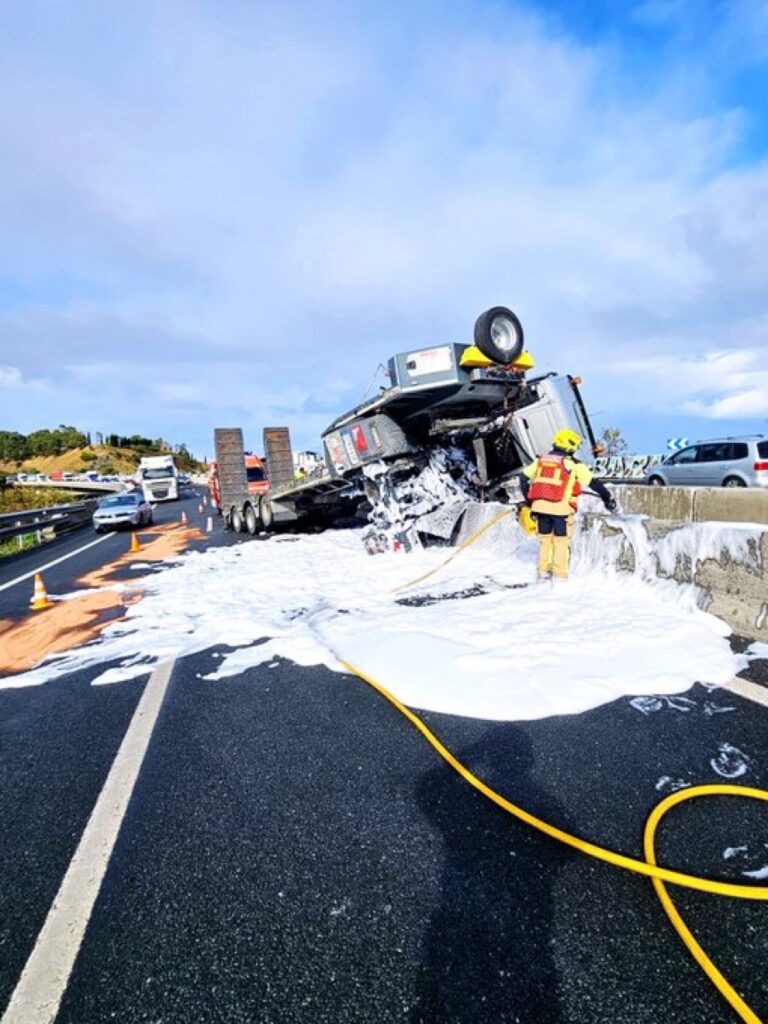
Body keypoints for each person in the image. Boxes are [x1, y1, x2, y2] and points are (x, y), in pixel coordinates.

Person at [521, 429, 616, 580]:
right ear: (570, 446)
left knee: (545, 541)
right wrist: (607, 499)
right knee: (560, 542)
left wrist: (529, 501)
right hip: (560, 509)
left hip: (539, 508)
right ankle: (560, 575)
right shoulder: (573, 465)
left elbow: (523, 477)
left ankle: (543, 572)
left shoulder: (541, 461)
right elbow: (593, 483)